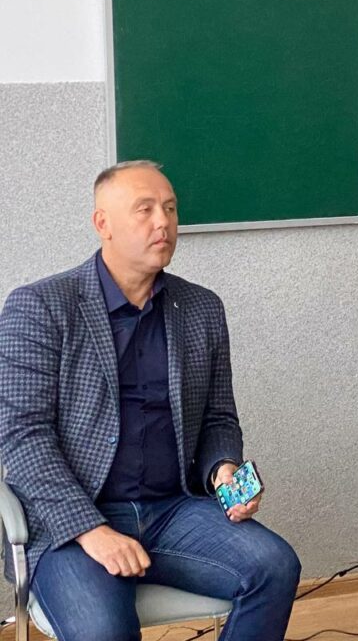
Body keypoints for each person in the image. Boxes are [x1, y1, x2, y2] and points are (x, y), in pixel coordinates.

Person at [0, 161, 300, 641]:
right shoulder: (40, 306)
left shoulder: (201, 307)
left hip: (172, 509)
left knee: (275, 566)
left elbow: (218, 418)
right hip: (75, 519)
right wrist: (91, 530)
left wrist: (223, 468)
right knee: (104, 630)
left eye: (170, 209)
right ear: (103, 224)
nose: (163, 222)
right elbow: (21, 437)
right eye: (145, 210)